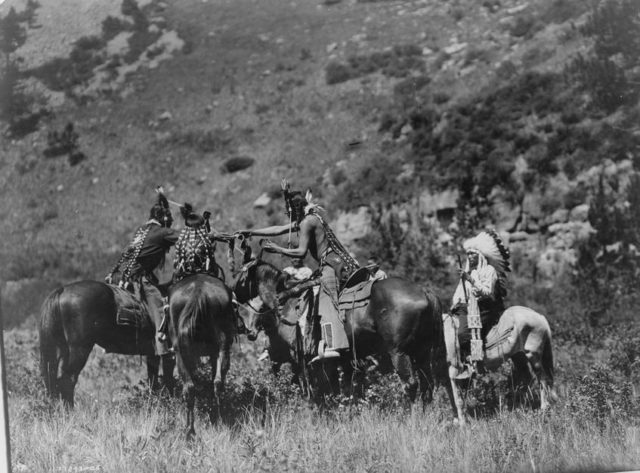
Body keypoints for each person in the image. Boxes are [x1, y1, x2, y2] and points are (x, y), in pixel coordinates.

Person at [238, 179, 360, 362]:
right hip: (331, 262)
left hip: (332, 264)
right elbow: (278, 229)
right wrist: (252, 232)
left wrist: (278, 249)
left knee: (326, 299)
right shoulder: (307, 218)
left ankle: (333, 344)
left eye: (290, 212)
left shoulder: (307, 222)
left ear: (296, 210)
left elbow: (301, 251)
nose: (289, 217)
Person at [105, 188, 179, 355]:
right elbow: (184, 236)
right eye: (169, 219)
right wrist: (201, 230)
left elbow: (126, 254)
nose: (170, 221)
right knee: (160, 309)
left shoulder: (141, 231)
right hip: (140, 281)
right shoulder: (161, 232)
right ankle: (163, 347)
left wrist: (162, 197)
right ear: (163, 218)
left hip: (123, 279)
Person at [451, 229, 510, 378]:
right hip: (467, 306)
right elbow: (460, 290)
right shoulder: (469, 271)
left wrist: (470, 280)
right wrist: (456, 302)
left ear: (480, 256)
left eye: (473, 254)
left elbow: (487, 292)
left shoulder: (489, 271)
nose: (470, 257)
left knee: (464, 333)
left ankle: (474, 364)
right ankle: (459, 363)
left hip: (485, 308)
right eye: (468, 254)